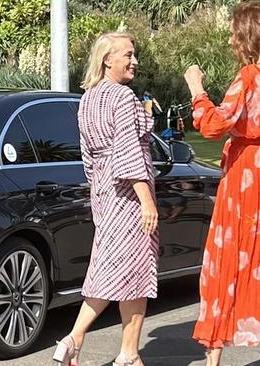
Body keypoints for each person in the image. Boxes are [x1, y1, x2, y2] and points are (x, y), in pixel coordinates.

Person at [52, 32, 158, 366]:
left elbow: (88, 158)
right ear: (106, 59)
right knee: (136, 271)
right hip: (128, 197)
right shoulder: (122, 97)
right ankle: (123, 353)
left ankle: (91, 342)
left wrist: (98, 193)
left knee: (111, 269)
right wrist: (147, 201)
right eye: (127, 54)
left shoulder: (88, 98)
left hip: (104, 192)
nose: (134, 60)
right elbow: (128, 153)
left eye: (134, 54)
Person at [184, 2, 260, 365]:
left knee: (227, 257)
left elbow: (215, 125)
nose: (230, 39)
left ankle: (213, 360)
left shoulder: (248, 76)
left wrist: (196, 89)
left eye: (233, 32)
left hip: (246, 179)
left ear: (247, 36)